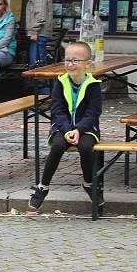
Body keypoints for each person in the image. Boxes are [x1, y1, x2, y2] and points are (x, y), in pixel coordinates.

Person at [28, 41, 103, 210]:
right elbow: (57, 110)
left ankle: (89, 183)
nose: (70, 64)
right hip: (62, 127)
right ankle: (43, 186)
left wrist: (79, 129)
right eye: (67, 60)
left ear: (88, 64)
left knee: (85, 147)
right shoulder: (60, 83)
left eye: (75, 60)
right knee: (58, 145)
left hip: (87, 129)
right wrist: (68, 129)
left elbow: (93, 113)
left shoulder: (94, 85)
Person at [25, 0, 54, 69]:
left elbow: (40, 14)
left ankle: (41, 85)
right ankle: (41, 84)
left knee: (37, 66)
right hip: (40, 33)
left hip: (39, 33)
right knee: (40, 65)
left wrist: (33, 31)